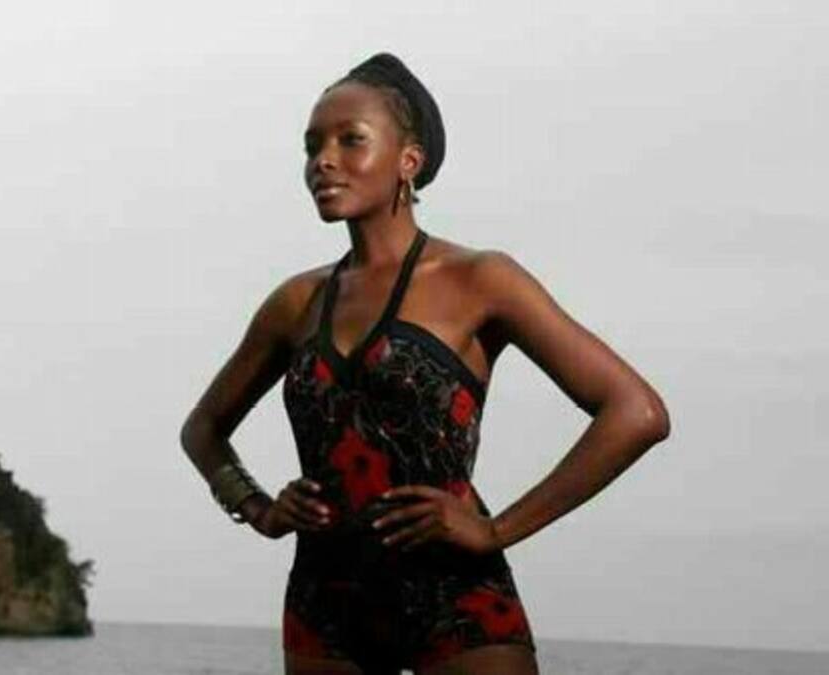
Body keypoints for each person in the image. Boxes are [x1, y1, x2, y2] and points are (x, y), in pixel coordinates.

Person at [179, 52, 671, 675]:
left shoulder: (481, 279)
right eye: (312, 146)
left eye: (350, 140)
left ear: (409, 161)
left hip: (454, 596)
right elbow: (202, 429)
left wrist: (497, 531)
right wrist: (258, 508)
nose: (322, 160)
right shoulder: (296, 303)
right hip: (325, 606)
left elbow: (636, 413)